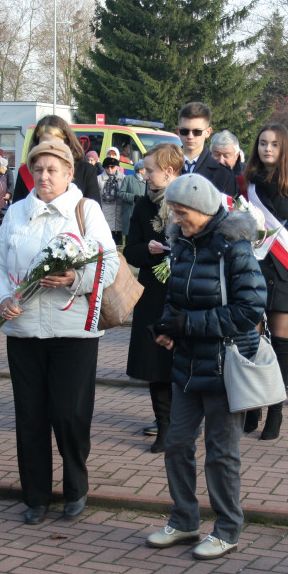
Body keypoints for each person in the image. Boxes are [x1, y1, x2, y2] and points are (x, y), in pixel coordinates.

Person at [0, 141, 119, 526]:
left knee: (69, 414)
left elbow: (108, 265)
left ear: (68, 173)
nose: (44, 177)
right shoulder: (16, 213)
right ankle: (36, 496)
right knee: (30, 416)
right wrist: (1, 300)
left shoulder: (86, 210)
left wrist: (75, 277)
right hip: (24, 330)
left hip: (73, 331)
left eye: (52, 170)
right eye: (38, 169)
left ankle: (76, 486)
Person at [145, 173, 265, 560]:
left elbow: (249, 310)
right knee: (177, 443)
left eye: (182, 213)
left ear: (203, 209)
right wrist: (166, 328)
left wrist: (189, 326)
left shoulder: (234, 247)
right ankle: (184, 520)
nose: (176, 220)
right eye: (174, 212)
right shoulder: (180, 246)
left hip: (224, 366)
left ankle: (228, 528)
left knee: (221, 451)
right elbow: (175, 297)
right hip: (187, 363)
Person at [241, 123, 288, 441]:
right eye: (262, 143)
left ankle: (276, 410)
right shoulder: (249, 183)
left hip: (287, 274)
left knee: (281, 345)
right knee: (251, 342)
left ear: (284, 147)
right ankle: (252, 407)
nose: (267, 148)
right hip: (254, 270)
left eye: (273, 143)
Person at [124, 143, 182, 452]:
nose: (144, 174)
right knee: (156, 363)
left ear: (169, 172)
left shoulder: (190, 199)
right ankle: (164, 426)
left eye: (150, 169)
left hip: (185, 292)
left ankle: (185, 423)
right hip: (152, 293)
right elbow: (130, 250)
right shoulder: (143, 205)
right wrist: (147, 249)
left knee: (182, 360)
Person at [13, 115, 101, 204]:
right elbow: (18, 211)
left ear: (67, 143)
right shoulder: (25, 171)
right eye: (44, 144)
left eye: (56, 144)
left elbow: (94, 211)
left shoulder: (86, 171)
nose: (50, 149)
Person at [177, 102, 237, 197]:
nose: (190, 136)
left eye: (197, 132)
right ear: (178, 131)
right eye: (185, 131)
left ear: (208, 132)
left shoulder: (223, 175)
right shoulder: (163, 165)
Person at [97, 157, 125, 243]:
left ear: (116, 167)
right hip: (105, 212)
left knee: (118, 243)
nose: (109, 169)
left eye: (112, 167)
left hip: (118, 213)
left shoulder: (123, 178)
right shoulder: (98, 179)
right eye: (107, 167)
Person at [118, 158, 146, 241]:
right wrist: (133, 197)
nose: (147, 171)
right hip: (129, 213)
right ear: (140, 170)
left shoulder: (147, 181)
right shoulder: (128, 179)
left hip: (142, 215)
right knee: (129, 239)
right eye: (145, 169)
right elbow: (121, 193)